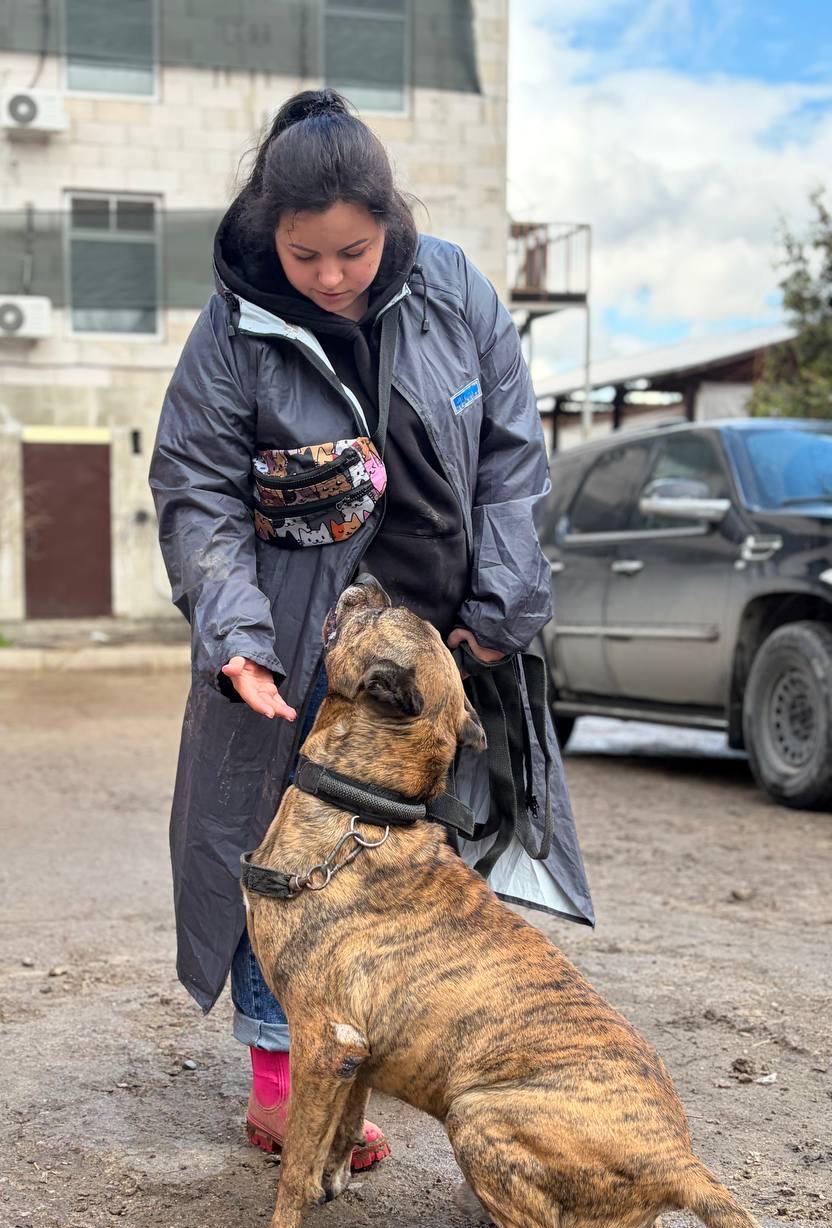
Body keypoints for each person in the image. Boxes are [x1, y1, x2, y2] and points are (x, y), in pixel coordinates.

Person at [150, 89, 592, 1170]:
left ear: (390, 223)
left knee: (413, 865)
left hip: (445, 639)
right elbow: (198, 489)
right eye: (305, 255)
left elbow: (511, 461)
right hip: (301, 641)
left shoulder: (456, 289)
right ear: (270, 232)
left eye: (354, 250)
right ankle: (283, 1079)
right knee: (287, 852)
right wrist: (236, 636)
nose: (332, 276)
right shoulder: (235, 324)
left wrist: (501, 607)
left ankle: (373, 1053)